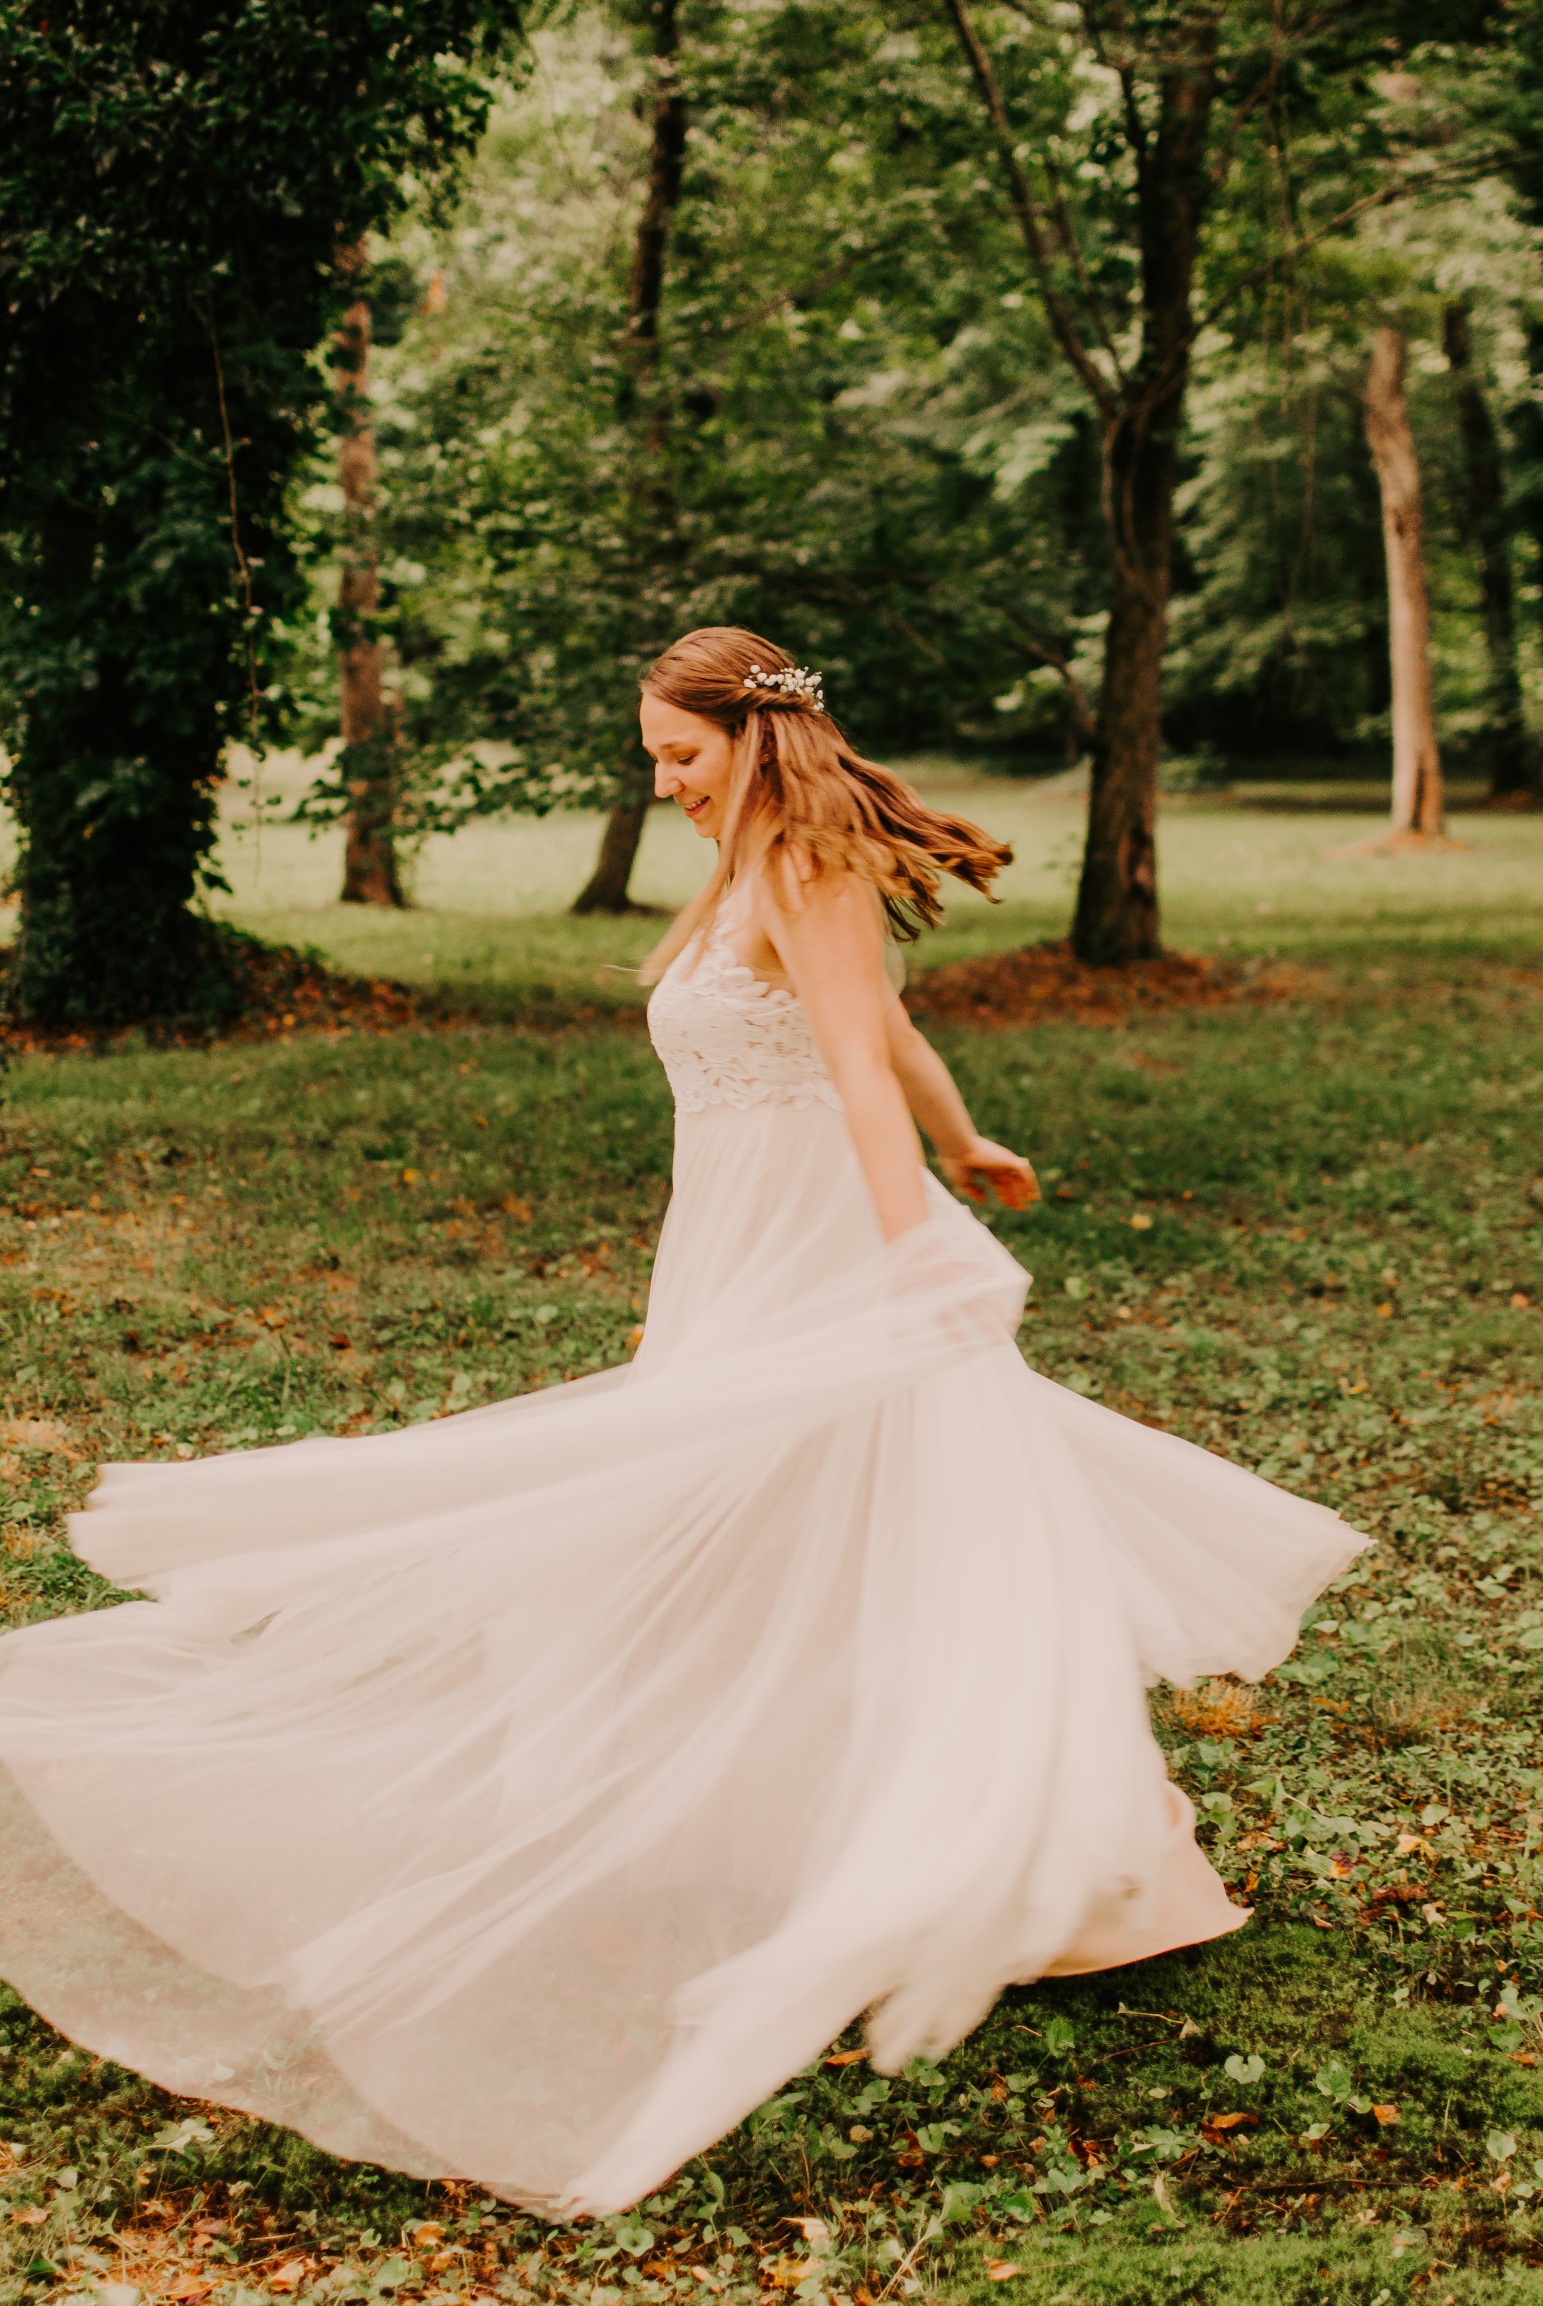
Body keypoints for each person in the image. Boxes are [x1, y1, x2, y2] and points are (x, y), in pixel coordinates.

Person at [0, 625, 1365, 2218]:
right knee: (759, 1526)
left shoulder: (809, 864)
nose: (664, 782)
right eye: (654, 757)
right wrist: (971, 1132)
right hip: (740, 1241)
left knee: (861, 1522)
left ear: (756, 736)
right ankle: (786, 1820)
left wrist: (914, 1238)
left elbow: (858, 1055)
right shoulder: (745, 865)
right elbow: (895, 1044)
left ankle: (995, 1855)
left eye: (682, 755)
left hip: (828, 1250)